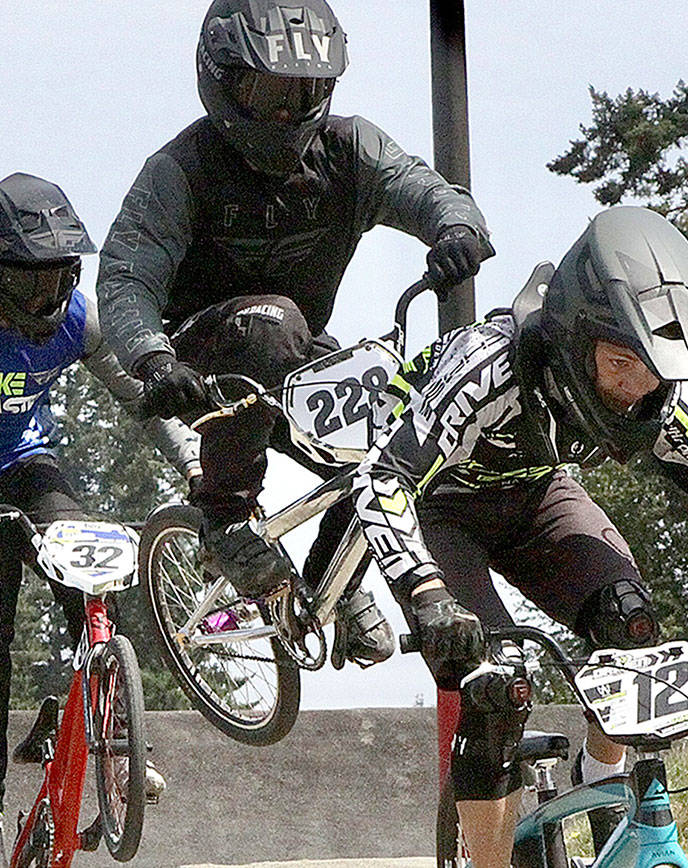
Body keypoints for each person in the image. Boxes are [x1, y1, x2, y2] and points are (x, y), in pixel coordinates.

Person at [350, 206, 688, 867]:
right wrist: (426, 596)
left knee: (631, 625)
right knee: (497, 685)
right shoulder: (488, 369)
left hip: (537, 499)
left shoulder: (656, 395)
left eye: (649, 371)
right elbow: (382, 478)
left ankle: (599, 781)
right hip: (442, 509)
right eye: (620, 364)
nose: (634, 390)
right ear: (572, 336)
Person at [96, 0, 495, 669]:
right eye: (271, 91)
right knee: (275, 323)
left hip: (295, 352)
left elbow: (428, 190)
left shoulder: (351, 149)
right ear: (222, 79)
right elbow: (126, 278)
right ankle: (223, 515)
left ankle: (330, 589)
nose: (288, 111)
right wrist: (152, 358)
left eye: (306, 92)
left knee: (401, 436)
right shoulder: (181, 169)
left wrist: (456, 230)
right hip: (199, 360)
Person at [0, 173, 198, 868]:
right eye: (31, 283)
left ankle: (114, 741)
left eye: (60, 279)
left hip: (28, 469)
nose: (48, 299)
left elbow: (145, 399)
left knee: (91, 580)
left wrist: (194, 465)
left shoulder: (79, 319)